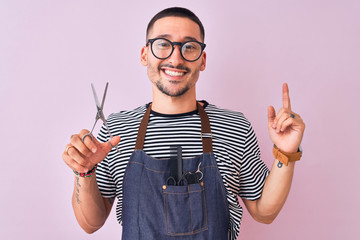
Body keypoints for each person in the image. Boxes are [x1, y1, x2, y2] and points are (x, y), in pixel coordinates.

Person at [62, 7, 305, 240]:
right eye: (163, 44)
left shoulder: (234, 127)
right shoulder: (117, 130)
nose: (175, 58)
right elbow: (90, 224)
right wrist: (84, 172)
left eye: (189, 47)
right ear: (144, 55)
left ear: (202, 59)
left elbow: (264, 212)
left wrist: (286, 152)